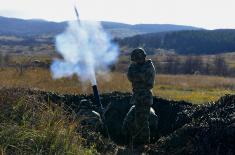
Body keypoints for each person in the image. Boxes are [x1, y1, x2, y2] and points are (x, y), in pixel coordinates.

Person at [122, 48, 156, 151]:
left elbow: (145, 78)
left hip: (145, 97)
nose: (137, 61)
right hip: (137, 96)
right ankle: (138, 142)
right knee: (137, 120)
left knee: (143, 121)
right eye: (135, 59)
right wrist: (137, 75)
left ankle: (144, 144)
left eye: (138, 59)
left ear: (143, 57)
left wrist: (137, 75)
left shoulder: (149, 66)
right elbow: (130, 76)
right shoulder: (134, 66)